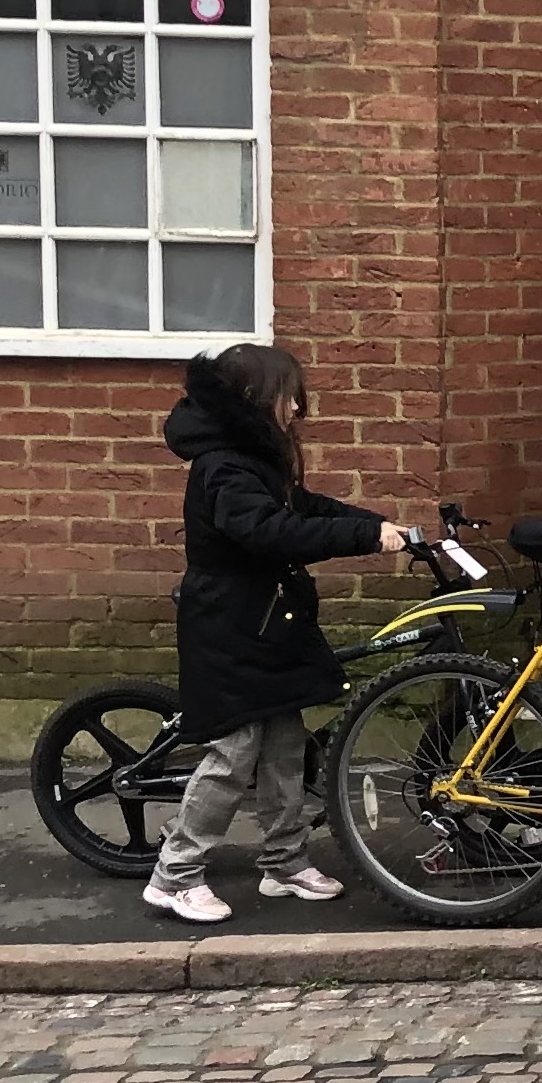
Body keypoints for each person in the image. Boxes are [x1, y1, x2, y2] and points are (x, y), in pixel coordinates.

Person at [148, 345, 405, 923]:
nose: (297, 407)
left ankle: (284, 862)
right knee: (233, 754)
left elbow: (302, 505)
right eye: (290, 395)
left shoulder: (253, 457)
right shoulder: (224, 466)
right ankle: (175, 874)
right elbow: (270, 531)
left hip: (268, 621)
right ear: (258, 399)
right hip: (232, 623)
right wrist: (362, 539)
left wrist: (374, 524)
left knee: (285, 746)